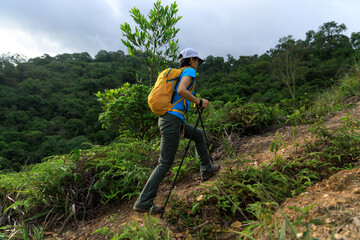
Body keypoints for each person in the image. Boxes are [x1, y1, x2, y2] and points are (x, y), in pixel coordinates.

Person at [133, 48, 221, 214]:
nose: (198, 64)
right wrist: (199, 101)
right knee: (165, 163)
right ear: (192, 60)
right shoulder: (189, 71)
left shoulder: (179, 73)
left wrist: (193, 101)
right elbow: (181, 90)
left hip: (173, 119)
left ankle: (206, 169)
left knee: (199, 135)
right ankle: (143, 202)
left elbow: (179, 94)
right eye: (198, 61)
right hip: (172, 121)